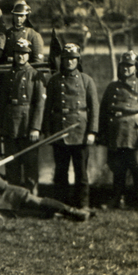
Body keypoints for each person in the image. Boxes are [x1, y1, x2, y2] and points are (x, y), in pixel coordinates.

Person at [100, 51, 138, 213]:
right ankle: (118, 199)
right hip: (116, 133)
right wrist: (103, 134)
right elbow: (104, 111)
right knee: (117, 167)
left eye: (130, 66)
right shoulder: (112, 87)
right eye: (123, 65)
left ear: (135, 67)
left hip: (135, 134)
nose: (126, 69)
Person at [44, 43, 98, 210]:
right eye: (66, 59)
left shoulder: (86, 80)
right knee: (60, 172)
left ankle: (83, 204)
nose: (69, 62)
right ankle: (61, 205)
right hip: (60, 131)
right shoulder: (54, 81)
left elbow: (94, 107)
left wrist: (92, 131)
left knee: (81, 172)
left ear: (78, 60)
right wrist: (48, 131)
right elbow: (48, 108)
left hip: (80, 131)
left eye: (73, 59)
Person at [0, 37, 45, 192]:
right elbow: (3, 103)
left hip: (27, 124)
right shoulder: (9, 75)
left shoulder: (36, 75)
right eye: (18, 53)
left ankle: (33, 197)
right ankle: (15, 197)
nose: (21, 57)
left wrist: (35, 127)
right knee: (12, 163)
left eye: (24, 53)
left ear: (29, 55)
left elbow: (39, 104)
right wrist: (3, 127)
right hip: (11, 124)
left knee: (30, 163)